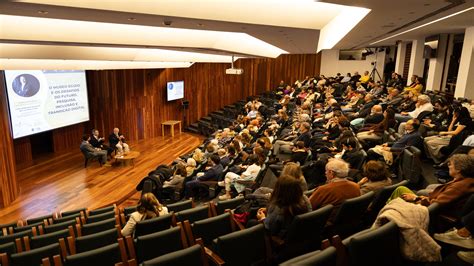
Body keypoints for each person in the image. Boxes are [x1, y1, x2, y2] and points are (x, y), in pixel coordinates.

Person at [390, 154, 474, 215]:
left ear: (459, 169)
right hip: (432, 205)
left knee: (400, 190)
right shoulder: (467, 180)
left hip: (430, 214)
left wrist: (415, 198)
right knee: (401, 190)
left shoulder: (458, 187)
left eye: (450, 164)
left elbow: (435, 206)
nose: (448, 166)